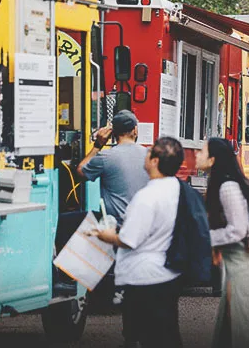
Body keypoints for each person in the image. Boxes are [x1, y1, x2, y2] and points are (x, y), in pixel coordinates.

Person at [93, 137, 186, 348]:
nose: (145, 154)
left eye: (149, 152)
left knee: (147, 337)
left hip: (144, 278)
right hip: (167, 273)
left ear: (154, 161)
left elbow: (128, 239)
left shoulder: (146, 197)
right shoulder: (177, 190)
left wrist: (106, 235)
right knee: (167, 335)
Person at [195, 138, 249, 347]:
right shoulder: (225, 183)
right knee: (236, 320)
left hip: (245, 262)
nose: (197, 154)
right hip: (241, 261)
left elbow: (237, 230)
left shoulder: (227, 187)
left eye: (202, 151)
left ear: (213, 159)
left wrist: (206, 239)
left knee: (244, 321)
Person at [77, 110, 150, 305]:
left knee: (74, 222)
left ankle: (76, 288)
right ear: (135, 130)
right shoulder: (150, 156)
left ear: (113, 133)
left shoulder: (106, 157)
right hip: (145, 225)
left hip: (115, 225)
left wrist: (97, 145)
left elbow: (81, 170)